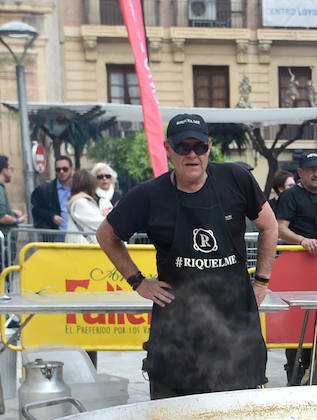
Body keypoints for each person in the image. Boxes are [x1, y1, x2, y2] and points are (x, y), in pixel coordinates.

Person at [96, 113, 277, 399]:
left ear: (209, 147)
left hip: (234, 325)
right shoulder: (148, 195)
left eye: (199, 147)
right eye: (183, 148)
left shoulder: (237, 179)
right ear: (168, 149)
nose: (192, 155)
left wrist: (262, 281)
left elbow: (269, 225)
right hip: (177, 331)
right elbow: (107, 235)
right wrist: (138, 282)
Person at [273, 153, 317, 382]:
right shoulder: (291, 196)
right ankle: (295, 375)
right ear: (300, 172)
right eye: (312, 170)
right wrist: (302, 241)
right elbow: (280, 228)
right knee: (298, 325)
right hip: (300, 271)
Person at [31, 156, 73, 230]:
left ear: (72, 169)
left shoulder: (79, 187)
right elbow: (36, 210)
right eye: (58, 169)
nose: (61, 172)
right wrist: (52, 217)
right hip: (56, 234)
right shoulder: (45, 189)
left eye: (65, 169)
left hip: (77, 234)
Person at [65, 169, 105, 242]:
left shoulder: (77, 201)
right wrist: (107, 215)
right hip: (83, 248)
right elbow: (99, 223)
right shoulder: (81, 203)